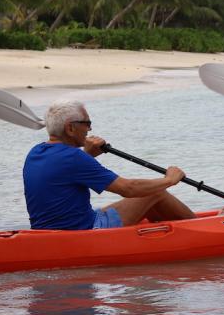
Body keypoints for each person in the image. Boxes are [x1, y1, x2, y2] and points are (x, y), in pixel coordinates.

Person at [23, 99, 197, 230]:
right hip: (84, 230)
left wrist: (88, 156)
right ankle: (200, 229)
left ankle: (164, 235)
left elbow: (65, 173)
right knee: (155, 193)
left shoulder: (35, 152)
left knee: (148, 201)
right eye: (87, 123)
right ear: (70, 128)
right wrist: (169, 180)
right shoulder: (73, 157)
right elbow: (129, 188)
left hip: (46, 231)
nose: (90, 129)